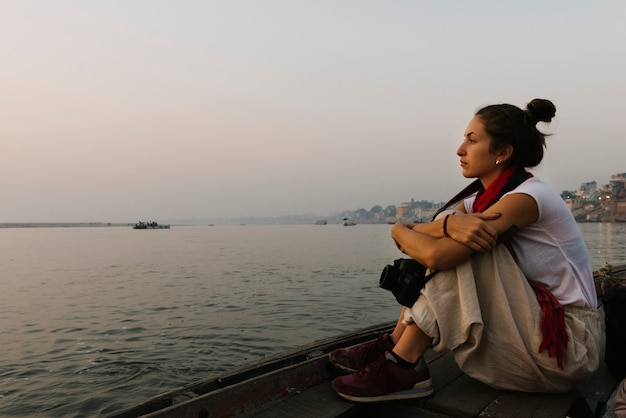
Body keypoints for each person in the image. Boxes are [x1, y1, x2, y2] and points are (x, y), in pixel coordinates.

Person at [330, 99, 601, 402]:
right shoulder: (479, 202)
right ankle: (395, 344)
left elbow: (436, 255)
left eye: (472, 141)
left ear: (503, 152)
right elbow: (425, 234)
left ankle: (404, 365)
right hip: (533, 330)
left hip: (569, 348)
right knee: (456, 241)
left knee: (469, 248)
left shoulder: (527, 197)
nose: (460, 149)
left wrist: (420, 230)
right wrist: (434, 226)